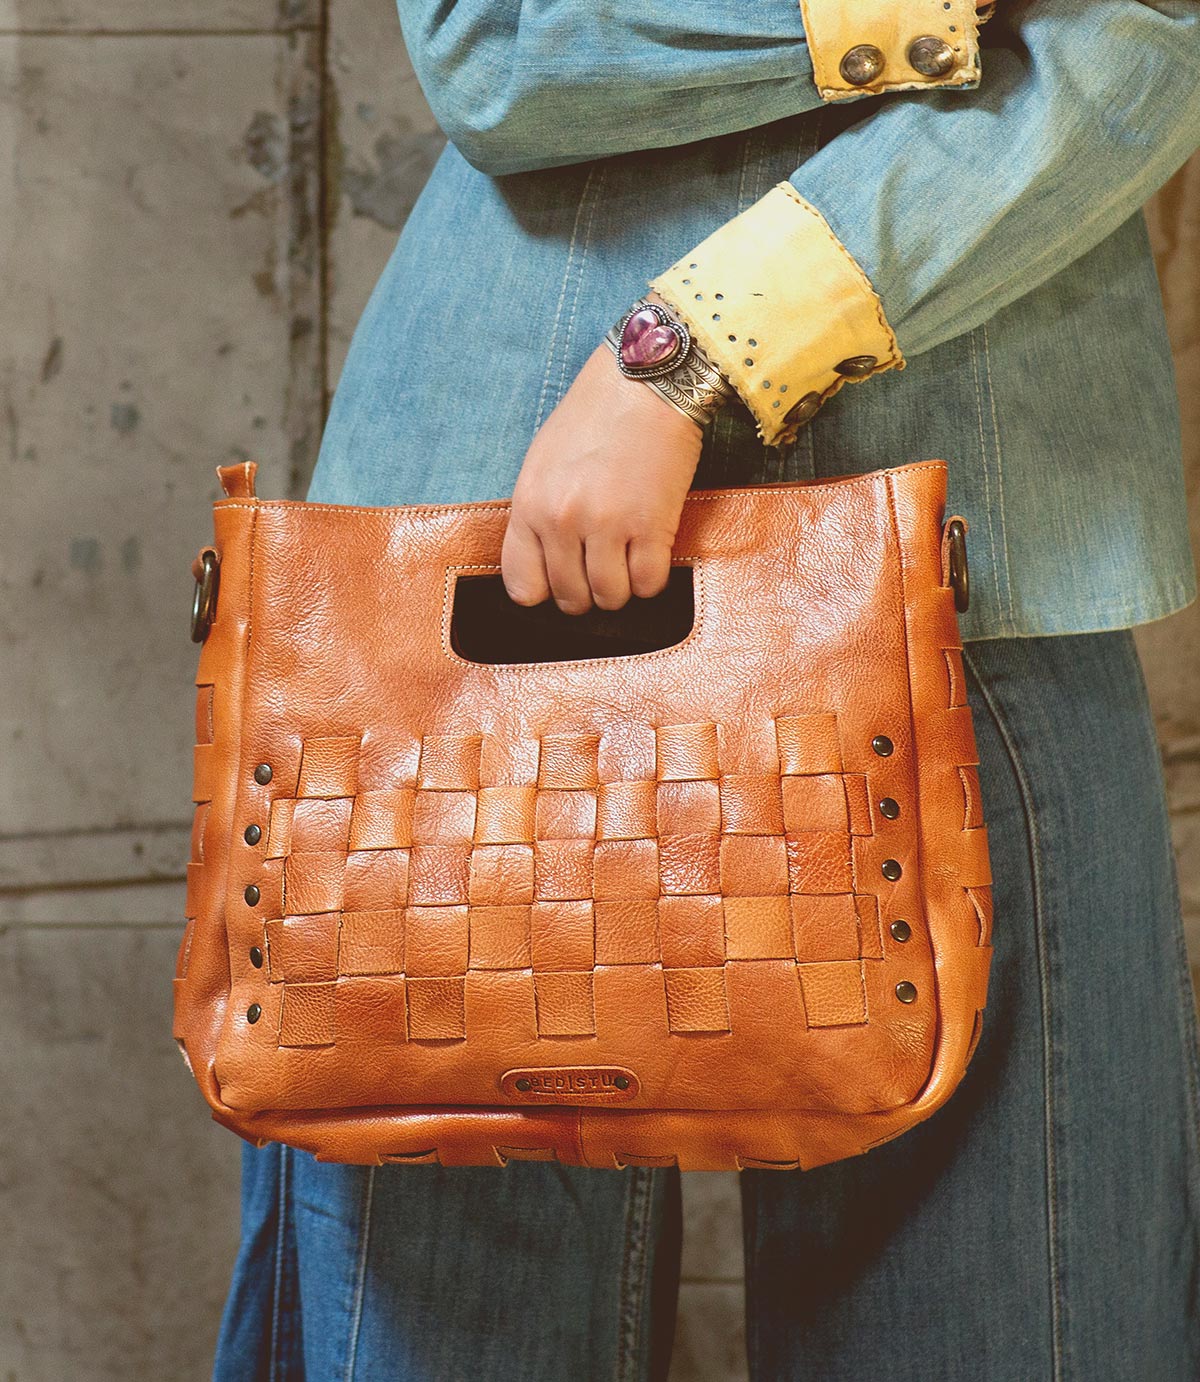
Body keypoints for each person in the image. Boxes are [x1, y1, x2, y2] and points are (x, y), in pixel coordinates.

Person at [212, 2, 1200, 1376]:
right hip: (491, 565)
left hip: (973, 564)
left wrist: (693, 351)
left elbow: (1148, 32)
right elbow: (492, 44)